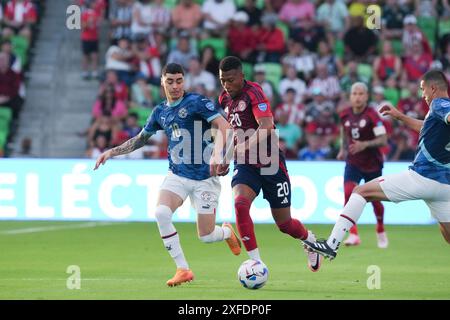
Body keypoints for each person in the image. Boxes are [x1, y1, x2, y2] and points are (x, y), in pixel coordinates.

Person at [94, 63, 241, 286]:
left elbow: (225, 127)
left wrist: (220, 155)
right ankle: (182, 269)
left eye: (179, 81)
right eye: (170, 81)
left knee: (206, 236)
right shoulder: (160, 112)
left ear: (184, 81)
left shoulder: (196, 102)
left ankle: (227, 232)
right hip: (177, 175)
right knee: (161, 213)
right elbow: (140, 140)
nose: (175, 86)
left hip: (205, 178)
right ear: (162, 82)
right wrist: (112, 152)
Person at [303, 70, 450, 260]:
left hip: (423, 177)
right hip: (444, 186)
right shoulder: (439, 115)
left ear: (433, 88)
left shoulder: (440, 104)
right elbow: (428, 127)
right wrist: (400, 116)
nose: (423, 96)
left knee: (360, 192)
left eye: (423, 90)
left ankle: (331, 244)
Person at [217, 56, 322, 272]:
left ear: (242, 76)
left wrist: (246, 144)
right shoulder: (224, 100)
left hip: (270, 162)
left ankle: (309, 240)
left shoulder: (254, 92)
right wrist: (227, 157)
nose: (226, 85)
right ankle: (256, 262)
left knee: (285, 224)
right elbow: (233, 132)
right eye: (222, 80)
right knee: (240, 204)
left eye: (230, 80)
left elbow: (266, 125)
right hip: (246, 164)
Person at [337, 82, 388, 248]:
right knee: (347, 193)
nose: (357, 97)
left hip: (372, 163)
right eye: (354, 94)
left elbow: (383, 140)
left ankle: (380, 228)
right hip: (353, 161)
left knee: (375, 200)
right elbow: (344, 133)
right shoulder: (344, 114)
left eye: (361, 94)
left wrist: (364, 144)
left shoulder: (372, 115)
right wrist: (342, 149)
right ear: (350, 96)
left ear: (366, 96)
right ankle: (353, 234)